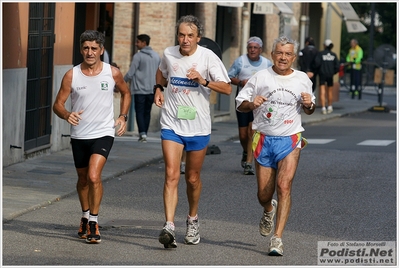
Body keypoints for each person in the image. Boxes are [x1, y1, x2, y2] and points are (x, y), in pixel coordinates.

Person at [154, 15, 231, 248]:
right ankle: (169, 225)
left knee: (193, 178)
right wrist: (158, 88)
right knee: (171, 174)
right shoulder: (169, 53)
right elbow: (161, 72)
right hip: (172, 124)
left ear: (198, 37)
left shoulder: (209, 58)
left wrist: (204, 81)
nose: (185, 40)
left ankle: (192, 218)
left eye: (190, 35)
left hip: (198, 127)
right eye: (181, 35)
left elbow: (227, 88)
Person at [236, 36, 315, 256]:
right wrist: (252, 103)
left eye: (288, 54)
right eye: (279, 53)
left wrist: (309, 105)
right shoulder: (260, 77)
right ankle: (269, 209)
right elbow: (240, 105)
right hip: (264, 138)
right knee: (263, 194)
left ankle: (277, 238)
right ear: (272, 55)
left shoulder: (301, 79)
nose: (283, 57)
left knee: (284, 187)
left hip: (290, 139)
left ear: (293, 57)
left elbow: (310, 109)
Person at [53, 30, 131, 244]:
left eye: (94, 48)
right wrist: (67, 114)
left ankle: (94, 222)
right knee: (83, 179)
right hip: (79, 134)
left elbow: (126, 92)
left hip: (103, 133)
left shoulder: (112, 73)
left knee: (94, 176)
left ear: (101, 50)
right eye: (86, 48)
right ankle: (85, 215)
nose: (90, 52)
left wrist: (122, 117)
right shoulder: (72, 75)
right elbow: (57, 105)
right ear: (81, 50)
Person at [228, 36, 272, 175]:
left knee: (251, 131)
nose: (252, 50)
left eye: (255, 48)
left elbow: (274, 79)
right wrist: (241, 82)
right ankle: (246, 150)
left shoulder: (267, 64)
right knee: (242, 134)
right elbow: (228, 77)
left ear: (261, 49)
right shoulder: (240, 61)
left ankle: (248, 162)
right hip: (243, 102)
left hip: (259, 104)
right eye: (250, 47)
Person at [124, 34, 161, 142]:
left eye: (138, 42)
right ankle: (145, 132)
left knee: (139, 111)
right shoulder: (156, 56)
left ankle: (142, 134)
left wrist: (121, 82)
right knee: (147, 112)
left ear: (144, 43)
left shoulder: (138, 56)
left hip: (140, 89)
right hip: (152, 90)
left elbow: (131, 73)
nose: (136, 44)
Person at [314, 39, 340, 114]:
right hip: (330, 75)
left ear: (325, 45)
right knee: (330, 91)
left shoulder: (321, 54)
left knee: (322, 91)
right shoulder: (333, 55)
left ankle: (323, 108)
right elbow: (337, 66)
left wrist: (317, 71)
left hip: (322, 74)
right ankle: (329, 106)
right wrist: (333, 72)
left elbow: (317, 64)